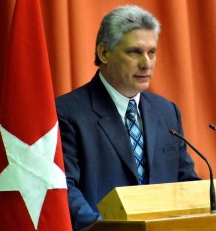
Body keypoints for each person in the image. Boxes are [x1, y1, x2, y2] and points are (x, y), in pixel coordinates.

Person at [56, 5, 200, 231]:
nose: (146, 63)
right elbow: (63, 189)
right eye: (134, 52)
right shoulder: (67, 112)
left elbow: (186, 183)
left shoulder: (166, 112)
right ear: (104, 53)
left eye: (151, 52)